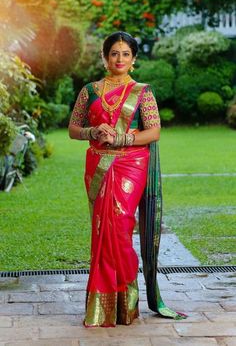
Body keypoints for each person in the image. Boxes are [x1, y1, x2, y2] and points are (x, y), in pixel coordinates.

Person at [68, 31, 187, 327]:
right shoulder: (90, 91)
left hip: (131, 165)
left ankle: (126, 303)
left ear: (134, 59)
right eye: (114, 53)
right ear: (104, 57)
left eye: (125, 54)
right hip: (98, 164)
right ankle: (105, 305)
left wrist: (121, 137)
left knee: (120, 229)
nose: (119, 59)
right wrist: (93, 132)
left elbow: (154, 131)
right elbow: (73, 128)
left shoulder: (143, 92)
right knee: (100, 232)